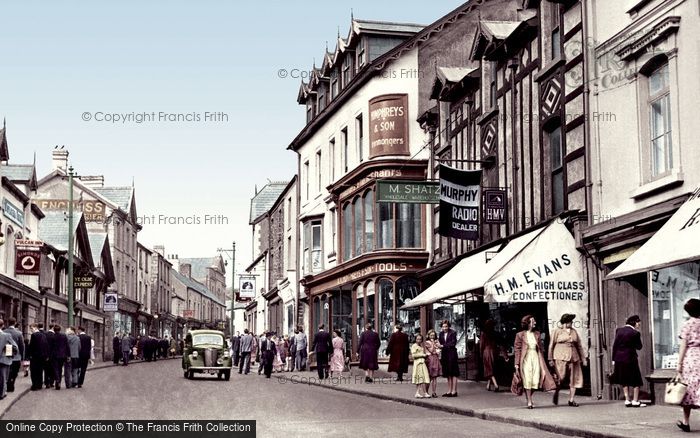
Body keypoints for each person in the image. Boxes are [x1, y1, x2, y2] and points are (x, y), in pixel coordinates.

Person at [514, 315, 557, 409]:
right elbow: (517, 350)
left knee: (536, 380)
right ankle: (529, 401)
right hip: (525, 359)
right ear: (528, 323)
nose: (535, 323)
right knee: (527, 379)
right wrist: (516, 364)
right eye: (533, 321)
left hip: (536, 358)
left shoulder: (537, 334)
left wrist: (544, 361)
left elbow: (541, 349)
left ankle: (527, 395)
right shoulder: (520, 335)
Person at [548, 314, 587, 407]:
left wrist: (583, 358)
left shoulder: (574, 332)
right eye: (570, 321)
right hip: (560, 357)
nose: (572, 323)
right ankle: (557, 390)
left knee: (574, 379)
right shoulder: (557, 331)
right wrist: (550, 359)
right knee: (561, 378)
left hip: (574, 358)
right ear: (565, 322)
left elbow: (579, 346)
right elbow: (551, 345)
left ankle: (571, 399)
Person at [611, 315, 646, 408]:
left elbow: (615, 346)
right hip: (630, 359)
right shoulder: (635, 333)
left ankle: (627, 400)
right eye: (638, 323)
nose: (639, 324)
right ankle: (635, 400)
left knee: (624, 379)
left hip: (619, 359)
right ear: (634, 322)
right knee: (636, 380)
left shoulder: (619, 330)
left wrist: (613, 359)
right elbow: (639, 347)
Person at [677, 299, 700, 432]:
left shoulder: (687, 325)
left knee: (688, 390)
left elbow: (683, 346)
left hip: (690, 359)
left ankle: (686, 422)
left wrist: (679, 364)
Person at [480, 319, 504, 393]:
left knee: (489, 369)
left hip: (487, 352)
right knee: (491, 367)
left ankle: (496, 385)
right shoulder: (495, 333)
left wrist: (481, 353)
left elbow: (481, 345)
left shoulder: (484, 334)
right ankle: (488, 385)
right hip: (494, 351)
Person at [439, 320, 460, 397]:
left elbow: (453, 343)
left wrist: (443, 346)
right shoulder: (441, 334)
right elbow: (440, 343)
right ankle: (449, 390)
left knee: (454, 372)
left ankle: (454, 391)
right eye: (443, 326)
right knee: (448, 373)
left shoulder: (453, 333)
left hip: (452, 354)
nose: (444, 328)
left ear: (449, 326)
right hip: (445, 355)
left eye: (446, 326)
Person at [4, 317, 24, 393]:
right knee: (15, 372)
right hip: (16, 356)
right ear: (15, 323)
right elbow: (22, 346)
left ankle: (7, 384)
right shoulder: (19, 333)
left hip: (6, 354)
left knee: (7, 371)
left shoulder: (4, 331)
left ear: (8, 323)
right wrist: (22, 356)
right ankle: (11, 384)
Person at [0, 319, 19, 400]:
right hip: (3, 360)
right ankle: (2, 394)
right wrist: (7, 354)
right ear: (2, 325)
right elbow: (15, 348)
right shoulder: (6, 336)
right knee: (2, 378)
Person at [27, 323, 48, 391]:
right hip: (42, 356)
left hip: (35, 356)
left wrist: (29, 355)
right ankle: (39, 384)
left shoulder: (34, 335)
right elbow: (45, 345)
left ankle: (35, 385)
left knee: (34, 371)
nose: (31, 330)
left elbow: (32, 346)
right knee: (40, 370)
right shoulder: (43, 335)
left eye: (31, 328)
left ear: (35, 327)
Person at [411, 334, 431, 398]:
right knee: (419, 378)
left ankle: (424, 392)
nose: (419, 340)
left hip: (422, 363)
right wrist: (423, 355)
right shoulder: (414, 346)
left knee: (423, 378)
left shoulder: (421, 346)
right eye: (417, 339)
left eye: (420, 339)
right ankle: (418, 392)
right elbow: (414, 355)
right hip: (418, 363)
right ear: (415, 339)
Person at [424, 329, 442, 398]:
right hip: (430, 359)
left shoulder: (436, 341)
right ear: (428, 336)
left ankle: (434, 392)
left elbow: (438, 350)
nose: (432, 337)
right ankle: (426, 391)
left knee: (435, 377)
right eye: (431, 335)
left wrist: (438, 347)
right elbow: (431, 351)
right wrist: (434, 344)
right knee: (429, 377)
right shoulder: (427, 342)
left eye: (433, 336)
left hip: (436, 359)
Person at [52, 325, 69, 390]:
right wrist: (68, 355)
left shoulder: (53, 336)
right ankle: (59, 382)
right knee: (60, 368)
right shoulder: (64, 336)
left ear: (54, 330)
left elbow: (50, 346)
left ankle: (57, 380)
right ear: (60, 329)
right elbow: (67, 346)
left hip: (54, 355)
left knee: (55, 368)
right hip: (62, 355)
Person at [43, 323, 56, 389]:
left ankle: (46, 382)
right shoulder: (55, 335)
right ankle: (51, 382)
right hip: (53, 355)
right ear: (53, 327)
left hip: (46, 355)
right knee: (52, 369)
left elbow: (44, 345)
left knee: (46, 369)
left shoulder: (45, 334)